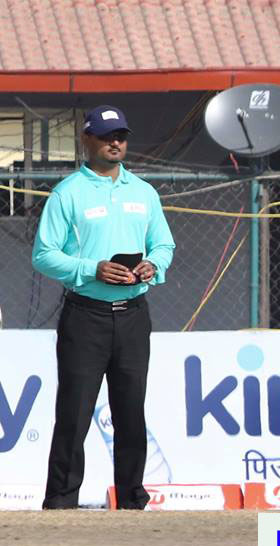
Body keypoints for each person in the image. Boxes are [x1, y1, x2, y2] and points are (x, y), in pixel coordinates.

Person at [31, 105, 175, 509]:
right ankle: (60, 501)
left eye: (121, 136)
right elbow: (43, 255)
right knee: (74, 413)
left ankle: (132, 499)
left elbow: (164, 244)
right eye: (107, 136)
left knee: (131, 411)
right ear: (87, 139)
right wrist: (91, 268)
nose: (115, 143)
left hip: (133, 315)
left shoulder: (143, 192)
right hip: (85, 316)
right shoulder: (68, 193)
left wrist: (153, 265)